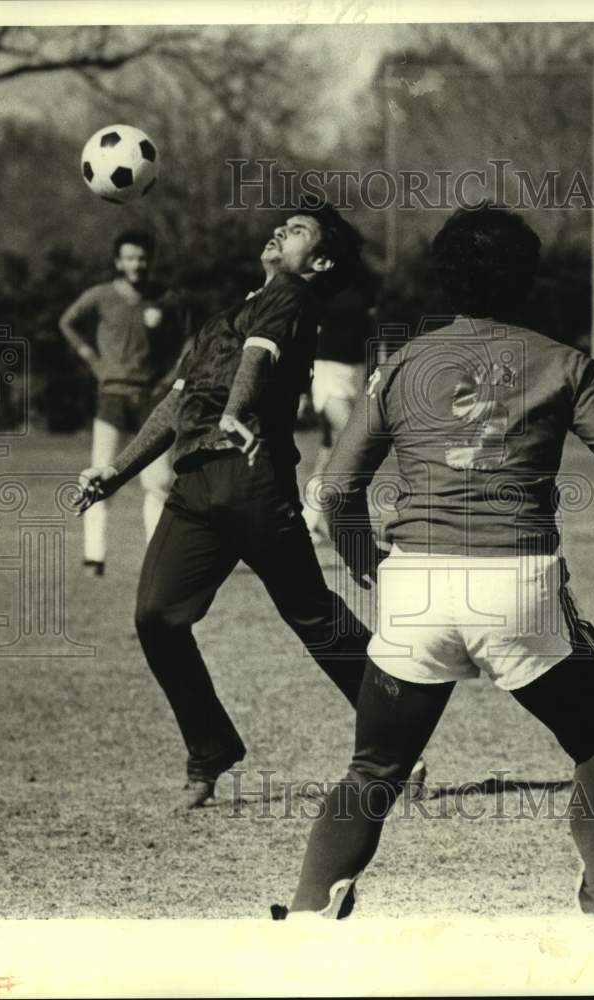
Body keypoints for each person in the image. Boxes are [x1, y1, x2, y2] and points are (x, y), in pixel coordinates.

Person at [274, 204, 594, 920]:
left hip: (416, 588)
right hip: (519, 588)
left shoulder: (404, 364)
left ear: (445, 282)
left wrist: (368, 565)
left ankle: (301, 921)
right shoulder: (565, 363)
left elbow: (337, 489)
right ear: (530, 282)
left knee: (375, 770)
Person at [74, 205, 425, 810]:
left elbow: (258, 359)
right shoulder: (227, 314)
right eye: (281, 225)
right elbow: (175, 405)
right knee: (156, 616)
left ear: (318, 262)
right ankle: (210, 749)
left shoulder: (291, 296)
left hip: (252, 481)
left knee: (312, 615)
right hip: (194, 487)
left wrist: (237, 411)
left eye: (297, 232)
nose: (279, 232)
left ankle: (401, 740)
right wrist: (117, 470)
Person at [60, 230, 187, 577]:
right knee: (100, 475)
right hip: (112, 399)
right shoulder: (100, 296)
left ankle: (155, 557)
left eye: (142, 257)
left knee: (158, 481)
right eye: (130, 257)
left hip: (151, 400)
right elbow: (67, 322)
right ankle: (94, 557)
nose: (137, 264)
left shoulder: (164, 298)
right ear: (118, 262)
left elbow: (189, 337)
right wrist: (92, 358)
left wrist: (173, 374)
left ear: (150, 261)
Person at [303, 263, 380, 543]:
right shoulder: (318, 285)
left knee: (330, 452)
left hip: (356, 371)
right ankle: (349, 522)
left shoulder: (365, 283)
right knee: (353, 437)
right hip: (326, 369)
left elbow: (371, 330)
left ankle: (308, 521)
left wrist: (374, 369)